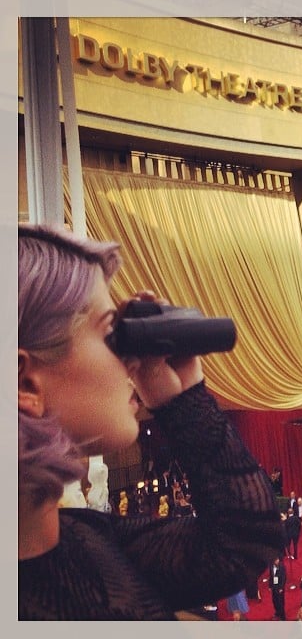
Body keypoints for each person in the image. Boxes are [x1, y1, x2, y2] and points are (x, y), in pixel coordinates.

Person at [17, 224, 282, 620]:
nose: (133, 358)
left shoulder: (89, 539)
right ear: (24, 383)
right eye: (111, 334)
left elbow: (240, 543)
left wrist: (181, 395)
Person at [269, 556, 287, 620]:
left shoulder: (282, 567)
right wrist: (270, 586)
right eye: (276, 560)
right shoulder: (271, 566)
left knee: (281, 602)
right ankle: (277, 612)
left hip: (280, 588)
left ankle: (283, 616)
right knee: (274, 601)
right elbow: (271, 576)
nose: (278, 561)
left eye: (278, 559)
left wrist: (281, 588)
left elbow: (284, 578)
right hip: (274, 587)